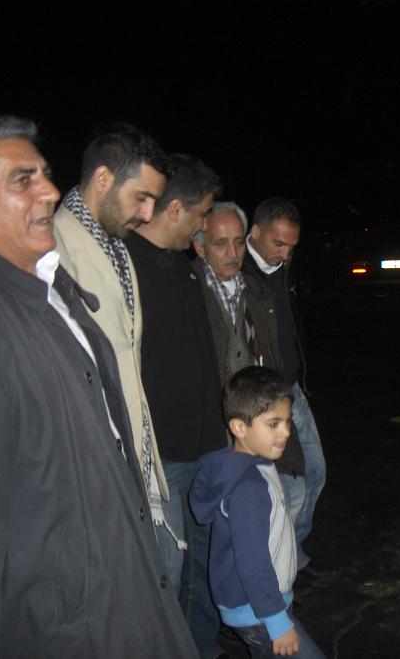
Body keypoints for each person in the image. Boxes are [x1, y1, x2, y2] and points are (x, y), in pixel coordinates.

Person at [0, 114, 198, 658]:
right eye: (22, 180)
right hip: (68, 624)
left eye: (44, 174)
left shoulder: (48, 289)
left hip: (115, 591)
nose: (48, 190)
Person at [53, 122, 176, 552]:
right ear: (103, 179)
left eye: (154, 201)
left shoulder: (116, 246)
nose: (147, 214)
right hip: (93, 461)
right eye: (141, 197)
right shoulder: (52, 249)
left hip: (130, 448)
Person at [126, 153, 229, 658]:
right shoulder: (125, 268)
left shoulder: (187, 270)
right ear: (175, 210)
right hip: (162, 458)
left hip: (206, 448)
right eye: (202, 214)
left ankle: (201, 647)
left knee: (206, 563)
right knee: (165, 569)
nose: (204, 225)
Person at [189, 366, 326, 659]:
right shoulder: (248, 488)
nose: (286, 432)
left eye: (287, 421)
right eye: (273, 424)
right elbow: (253, 562)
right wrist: (277, 622)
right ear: (239, 428)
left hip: (259, 604)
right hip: (259, 611)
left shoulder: (252, 464)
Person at [192, 203, 308, 545]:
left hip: (263, 414)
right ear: (200, 246)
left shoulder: (256, 290)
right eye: (220, 243)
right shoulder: (189, 291)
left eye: (238, 242)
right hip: (219, 427)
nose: (233, 252)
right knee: (229, 519)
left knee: (290, 491)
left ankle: (282, 565)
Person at [242, 197, 331, 579]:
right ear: (255, 232)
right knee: (289, 490)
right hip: (263, 401)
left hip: (292, 390)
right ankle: (278, 572)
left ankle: (294, 553)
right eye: (278, 243)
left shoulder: (284, 269)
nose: (285, 254)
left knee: (316, 472)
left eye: (292, 246)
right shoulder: (238, 272)